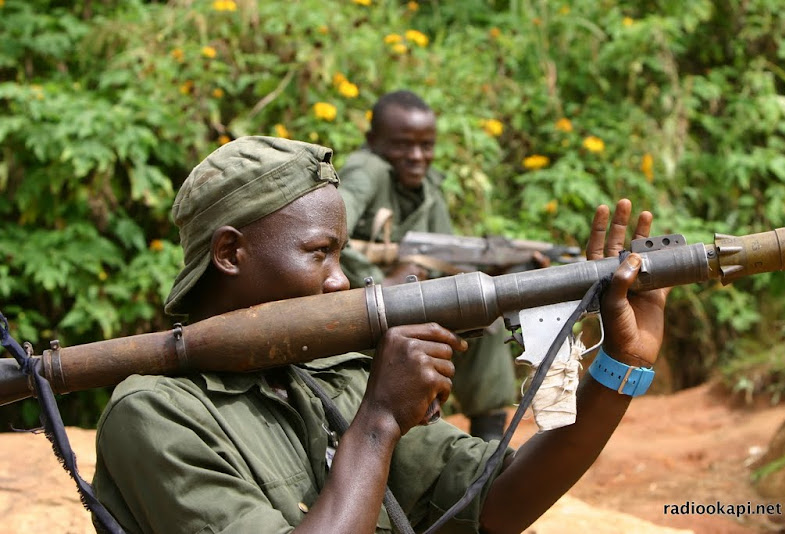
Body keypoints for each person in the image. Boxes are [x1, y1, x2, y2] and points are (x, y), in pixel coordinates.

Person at [92, 136, 668, 534]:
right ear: (230, 252)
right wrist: (379, 423)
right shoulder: (156, 415)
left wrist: (620, 368)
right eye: (318, 253)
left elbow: (497, 503)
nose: (340, 279)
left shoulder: (332, 375)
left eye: (340, 254)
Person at [337, 90, 515, 441]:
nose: (417, 157)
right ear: (373, 141)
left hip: (411, 305)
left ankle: (488, 451)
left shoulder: (429, 189)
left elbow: (445, 259)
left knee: (486, 326)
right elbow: (329, 230)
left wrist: (487, 274)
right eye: (403, 145)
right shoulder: (367, 169)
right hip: (359, 307)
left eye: (426, 146)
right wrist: (381, 282)